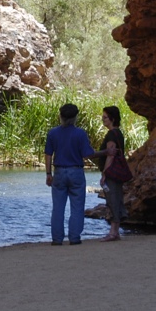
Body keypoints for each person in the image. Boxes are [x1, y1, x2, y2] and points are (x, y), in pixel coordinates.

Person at [44, 103, 96, 245]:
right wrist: (103, 153)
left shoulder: (53, 133)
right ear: (75, 117)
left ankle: (57, 239)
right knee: (77, 206)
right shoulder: (80, 133)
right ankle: (74, 237)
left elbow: (48, 154)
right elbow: (87, 154)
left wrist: (48, 173)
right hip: (76, 171)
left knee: (58, 207)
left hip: (59, 171)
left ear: (60, 116)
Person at [97, 106, 127, 242]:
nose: (103, 120)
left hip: (112, 173)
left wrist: (104, 173)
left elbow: (111, 155)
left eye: (105, 118)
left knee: (112, 199)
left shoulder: (111, 135)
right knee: (117, 198)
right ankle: (115, 231)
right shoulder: (118, 133)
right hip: (118, 173)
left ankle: (113, 232)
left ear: (112, 119)